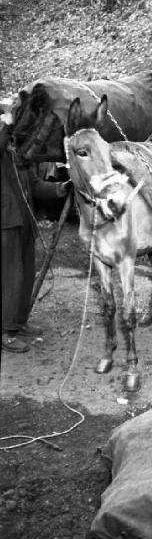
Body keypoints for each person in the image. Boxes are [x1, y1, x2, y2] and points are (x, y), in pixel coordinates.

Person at [1, 99, 70, 353]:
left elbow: (36, 185)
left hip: (25, 221)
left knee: (26, 273)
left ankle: (18, 322)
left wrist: (59, 189)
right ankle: (6, 332)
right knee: (11, 277)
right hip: (6, 223)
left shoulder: (19, 154)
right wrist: (6, 120)